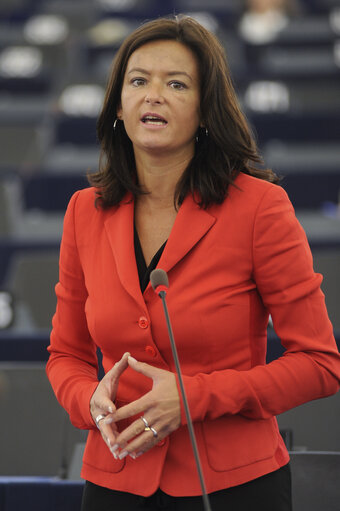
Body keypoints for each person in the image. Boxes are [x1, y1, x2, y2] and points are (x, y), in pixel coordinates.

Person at [46, 15, 340, 511]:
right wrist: (87, 400)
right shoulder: (84, 212)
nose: (153, 95)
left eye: (176, 84)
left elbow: (320, 364)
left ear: (206, 111)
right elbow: (65, 356)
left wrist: (192, 397)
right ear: (119, 105)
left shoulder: (259, 208)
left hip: (232, 488)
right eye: (138, 81)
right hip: (115, 483)